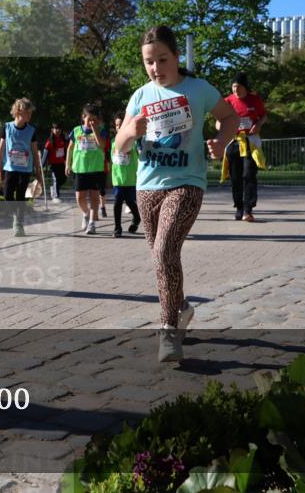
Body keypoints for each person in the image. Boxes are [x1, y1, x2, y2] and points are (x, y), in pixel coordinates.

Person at [114, 25, 239, 363]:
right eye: (149, 62)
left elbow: (230, 116)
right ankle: (181, 308)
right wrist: (130, 131)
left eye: (162, 59)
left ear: (176, 57)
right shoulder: (140, 96)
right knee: (162, 261)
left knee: (165, 251)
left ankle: (168, 330)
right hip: (147, 187)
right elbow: (120, 146)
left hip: (187, 183)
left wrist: (221, 140)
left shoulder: (198, 89)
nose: (156, 68)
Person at [221, 72, 267, 222]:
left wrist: (258, 125)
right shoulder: (227, 101)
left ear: (245, 87)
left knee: (249, 174)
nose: (235, 90)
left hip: (250, 141)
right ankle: (239, 208)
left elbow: (263, 116)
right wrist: (222, 128)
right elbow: (218, 120)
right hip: (233, 141)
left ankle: (248, 209)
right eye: (233, 87)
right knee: (235, 177)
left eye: (238, 87)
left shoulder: (254, 100)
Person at [0, 98, 44, 237]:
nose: (30, 115)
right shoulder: (7, 127)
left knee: (21, 197)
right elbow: (0, 150)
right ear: (18, 111)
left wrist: (38, 173)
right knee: (7, 196)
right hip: (10, 168)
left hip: (25, 169)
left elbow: (35, 153)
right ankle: (16, 217)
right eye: (27, 113)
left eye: (30, 113)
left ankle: (19, 224)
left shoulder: (31, 130)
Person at [66, 104, 107, 235]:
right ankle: (86, 213)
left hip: (96, 169)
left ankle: (92, 224)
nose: (92, 122)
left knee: (95, 197)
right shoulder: (76, 130)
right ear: (83, 117)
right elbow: (70, 148)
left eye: (94, 119)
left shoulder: (101, 130)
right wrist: (67, 164)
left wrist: (95, 130)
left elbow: (102, 145)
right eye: (89, 119)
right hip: (80, 169)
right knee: (79, 198)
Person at [111, 113, 141, 237]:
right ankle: (117, 228)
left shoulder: (134, 141)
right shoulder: (113, 142)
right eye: (117, 125)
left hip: (130, 178)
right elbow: (112, 160)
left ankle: (137, 218)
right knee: (118, 201)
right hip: (117, 178)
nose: (119, 127)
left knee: (130, 201)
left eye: (121, 124)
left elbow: (140, 154)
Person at [43, 122, 67, 201]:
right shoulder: (49, 142)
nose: (57, 130)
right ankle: (56, 196)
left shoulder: (63, 139)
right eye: (56, 129)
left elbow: (66, 151)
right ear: (52, 130)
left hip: (62, 163)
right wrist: (41, 165)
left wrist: (67, 162)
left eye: (59, 129)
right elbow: (45, 155)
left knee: (63, 179)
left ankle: (54, 188)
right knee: (56, 179)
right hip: (53, 164)